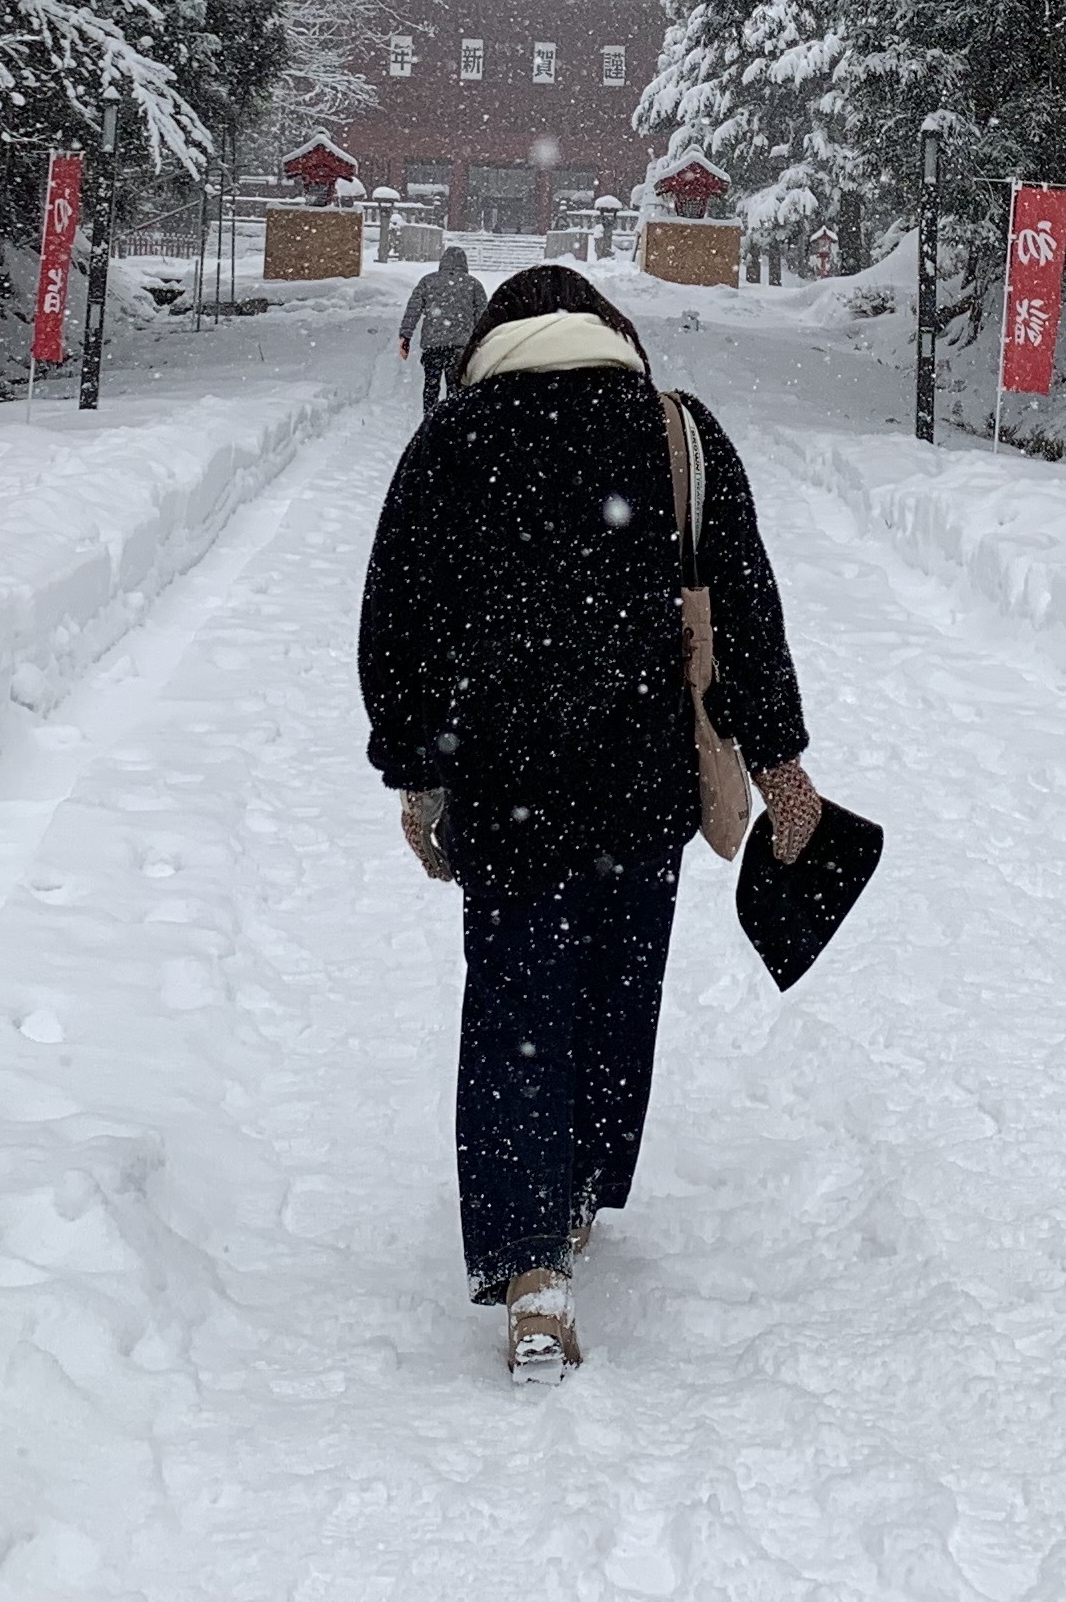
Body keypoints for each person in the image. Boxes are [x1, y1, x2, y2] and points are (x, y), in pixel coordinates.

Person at [357, 263, 824, 1381]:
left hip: (507, 787)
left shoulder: (453, 442)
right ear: (611, 335)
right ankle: (573, 1193)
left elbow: (398, 625)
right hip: (641, 779)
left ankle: (529, 1271)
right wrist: (781, 763)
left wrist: (419, 777)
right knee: (618, 992)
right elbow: (746, 599)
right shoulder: (677, 435)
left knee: (517, 1000)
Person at [397, 242, 487, 414]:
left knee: (431, 386)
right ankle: (453, 425)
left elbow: (412, 311)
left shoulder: (428, 282)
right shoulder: (473, 285)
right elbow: (483, 318)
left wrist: (405, 336)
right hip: (460, 346)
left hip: (433, 344)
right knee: (456, 388)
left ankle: (429, 420)